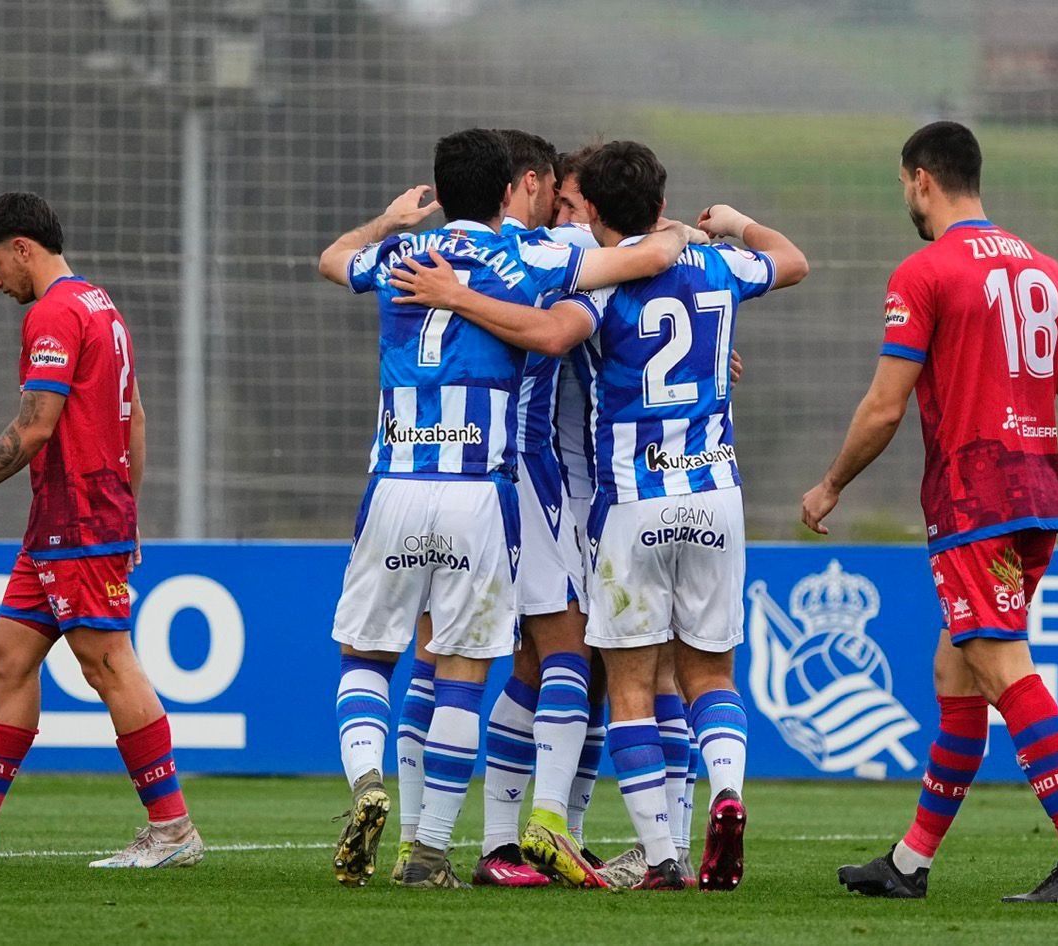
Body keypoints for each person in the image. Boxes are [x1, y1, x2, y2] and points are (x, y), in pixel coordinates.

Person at [389, 139, 807, 890]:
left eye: (576, 204)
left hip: (600, 494)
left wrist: (452, 291)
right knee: (602, 663)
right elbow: (782, 262)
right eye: (560, 201)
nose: (567, 215)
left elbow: (566, 326)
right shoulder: (675, 262)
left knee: (604, 673)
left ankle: (615, 843)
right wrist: (712, 242)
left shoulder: (578, 265)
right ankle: (544, 831)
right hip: (638, 488)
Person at [315, 128, 697, 889]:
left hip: (394, 479)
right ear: (511, 188)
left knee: (372, 657)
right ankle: (437, 850)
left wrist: (390, 222)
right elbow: (650, 258)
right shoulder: (535, 255)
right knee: (473, 668)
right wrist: (687, 232)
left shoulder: (401, 255)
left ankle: (370, 786)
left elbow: (333, 258)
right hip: (483, 486)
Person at [801, 121, 1058, 903]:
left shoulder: (925, 272)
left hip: (976, 497)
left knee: (1001, 664)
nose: (906, 199)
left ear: (922, 179)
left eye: (903, 186)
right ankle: (910, 862)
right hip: (1037, 496)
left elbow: (885, 407)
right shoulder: (1045, 270)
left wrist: (832, 482)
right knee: (959, 667)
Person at [0, 192, 203, 869]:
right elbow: (135, 414)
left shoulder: (56, 312)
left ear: (23, 247)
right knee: (9, 656)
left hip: (80, 516)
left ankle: (172, 829)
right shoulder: (100, 304)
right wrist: (129, 509)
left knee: (107, 663)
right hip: (68, 520)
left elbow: (35, 426)